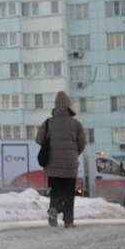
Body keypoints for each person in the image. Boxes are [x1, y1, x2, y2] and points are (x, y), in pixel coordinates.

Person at [36, 90, 86, 228]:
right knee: (69, 193)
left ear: (56, 105)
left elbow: (39, 139)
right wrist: (74, 153)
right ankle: (68, 221)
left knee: (56, 191)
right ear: (69, 105)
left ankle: (54, 209)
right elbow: (82, 143)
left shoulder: (48, 123)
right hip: (70, 165)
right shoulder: (76, 124)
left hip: (52, 165)